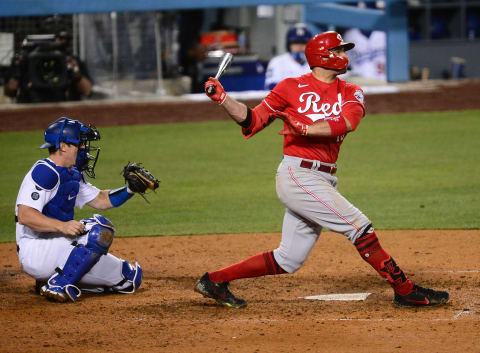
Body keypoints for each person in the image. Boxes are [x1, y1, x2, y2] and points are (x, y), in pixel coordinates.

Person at [194, 31, 450, 309]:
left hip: (323, 177)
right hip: (297, 175)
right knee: (359, 226)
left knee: (288, 259)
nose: (344, 55)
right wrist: (222, 99)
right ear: (323, 56)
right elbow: (252, 121)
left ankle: (215, 281)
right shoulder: (289, 87)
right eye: (339, 50)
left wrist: (306, 127)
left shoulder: (351, 91)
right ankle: (405, 290)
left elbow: (348, 122)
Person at [15, 117, 143, 302]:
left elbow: (101, 200)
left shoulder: (72, 173)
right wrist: (62, 226)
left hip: (61, 250)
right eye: (80, 143)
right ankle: (57, 285)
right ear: (63, 146)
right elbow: (25, 215)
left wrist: (130, 189)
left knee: (128, 278)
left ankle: (53, 278)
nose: (84, 148)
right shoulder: (44, 172)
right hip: (35, 250)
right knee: (99, 230)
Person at [4, 16, 93, 103]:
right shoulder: (27, 59)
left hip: (64, 109)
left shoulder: (69, 59)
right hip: (31, 107)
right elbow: (10, 92)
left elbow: (87, 91)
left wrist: (76, 73)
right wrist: (17, 72)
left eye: (61, 39)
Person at [264, 23, 313, 90]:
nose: (299, 47)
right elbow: (271, 86)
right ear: (289, 45)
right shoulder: (277, 62)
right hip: (284, 99)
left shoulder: (316, 62)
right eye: (295, 43)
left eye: (303, 43)